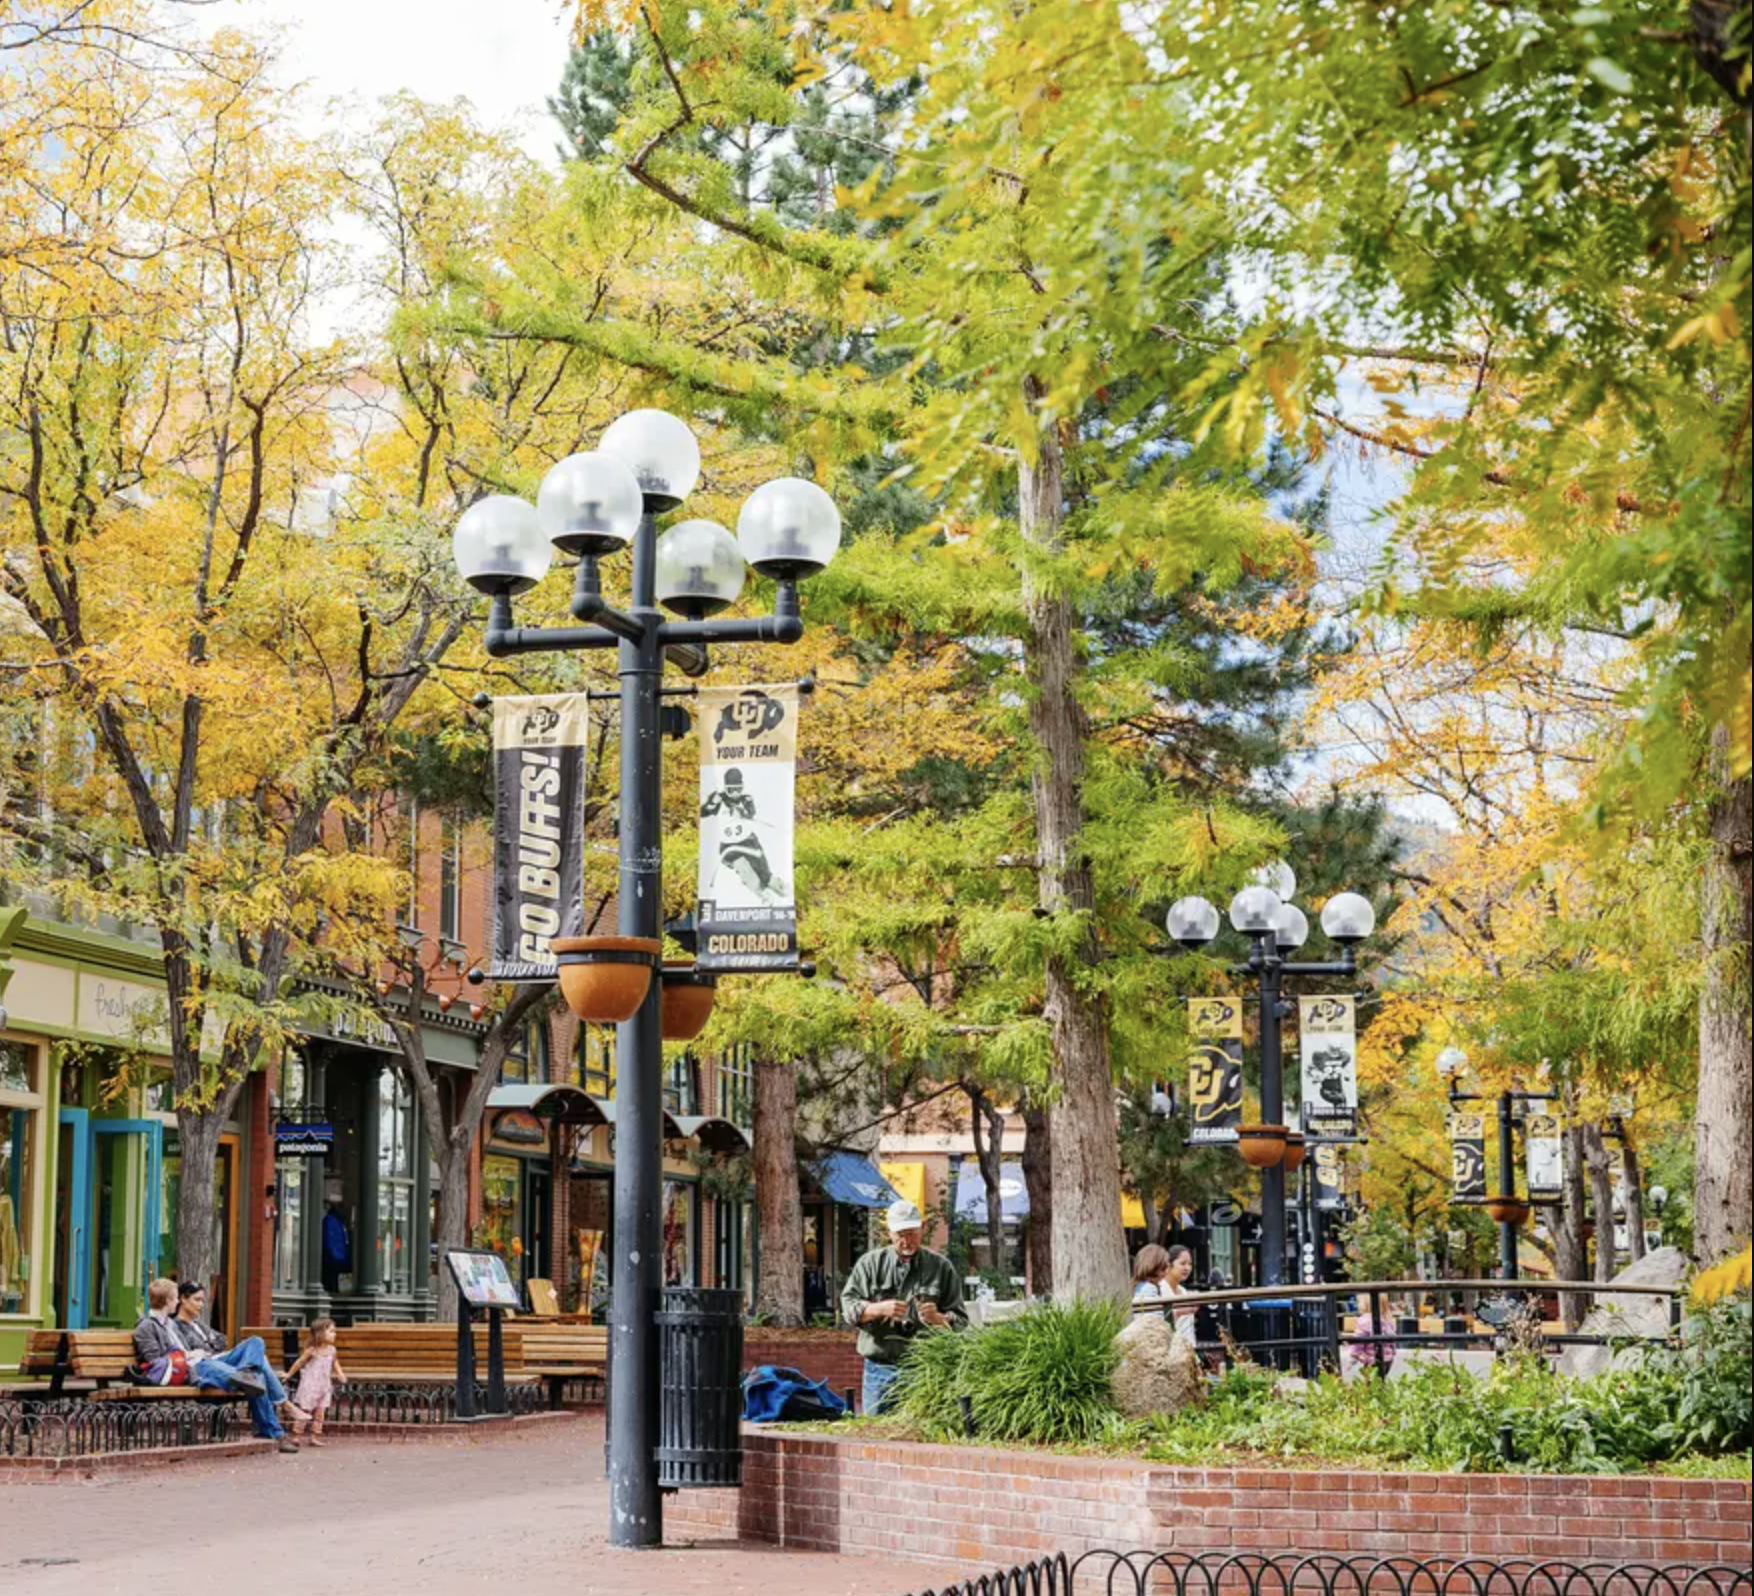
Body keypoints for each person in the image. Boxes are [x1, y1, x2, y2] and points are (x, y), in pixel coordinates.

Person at [841, 1198, 966, 1415]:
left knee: (920, 1434)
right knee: (876, 1435)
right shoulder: (870, 1264)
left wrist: (939, 1319)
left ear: (923, 1229)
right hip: (879, 1368)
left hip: (925, 1369)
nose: (906, 1241)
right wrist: (878, 1309)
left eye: (912, 1233)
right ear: (888, 1233)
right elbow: (848, 1309)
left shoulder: (941, 1267)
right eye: (900, 1235)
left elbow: (962, 1322)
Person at [173, 1280, 303, 1451]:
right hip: (204, 1366)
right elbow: (189, 1353)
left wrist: (209, 1345)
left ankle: (246, 1372)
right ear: (183, 1299)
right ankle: (276, 1431)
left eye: (203, 1300)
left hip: (218, 1360)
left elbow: (221, 1340)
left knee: (256, 1342)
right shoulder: (174, 1326)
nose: (201, 1305)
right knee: (258, 1376)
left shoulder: (198, 1325)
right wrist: (208, 1346)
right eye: (197, 1300)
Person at [286, 1317, 347, 1447]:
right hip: (310, 1385)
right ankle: (296, 1435)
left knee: (320, 1412)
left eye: (334, 1331)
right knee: (305, 1410)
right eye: (331, 1331)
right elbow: (300, 1362)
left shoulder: (332, 1350)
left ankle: (314, 1436)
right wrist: (289, 1374)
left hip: (324, 1385)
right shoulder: (312, 1350)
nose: (334, 1334)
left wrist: (340, 1373)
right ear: (320, 1333)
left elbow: (335, 1363)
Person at [1132, 1243, 1198, 1344]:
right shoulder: (1149, 1289)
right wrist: (1179, 1311)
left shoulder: (1145, 1287)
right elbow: (1155, 1322)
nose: (1166, 1271)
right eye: (1164, 1267)